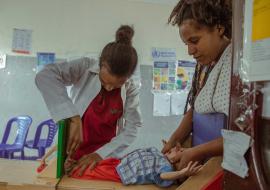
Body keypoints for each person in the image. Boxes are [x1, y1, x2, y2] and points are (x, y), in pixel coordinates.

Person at [35, 25, 143, 173]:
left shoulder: (131, 88)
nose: (110, 89)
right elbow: (45, 76)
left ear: (128, 77)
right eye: (105, 82)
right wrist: (73, 116)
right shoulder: (84, 67)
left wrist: (99, 155)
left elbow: (132, 127)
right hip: (71, 152)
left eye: (117, 85)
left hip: (104, 156)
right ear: (100, 66)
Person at [162, 0, 232, 170]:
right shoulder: (204, 66)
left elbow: (242, 135)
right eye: (187, 44)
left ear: (219, 28)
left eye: (195, 40)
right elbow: (195, 109)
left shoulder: (236, 62)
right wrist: (173, 141)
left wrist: (195, 152)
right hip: (203, 159)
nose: (190, 51)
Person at [70, 147, 202, 187]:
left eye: (180, 151)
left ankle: (73, 172)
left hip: (123, 172)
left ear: (177, 162)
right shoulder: (158, 153)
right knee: (98, 163)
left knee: (97, 172)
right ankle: (75, 164)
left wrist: (182, 173)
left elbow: (164, 176)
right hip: (120, 162)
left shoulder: (165, 166)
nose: (177, 148)